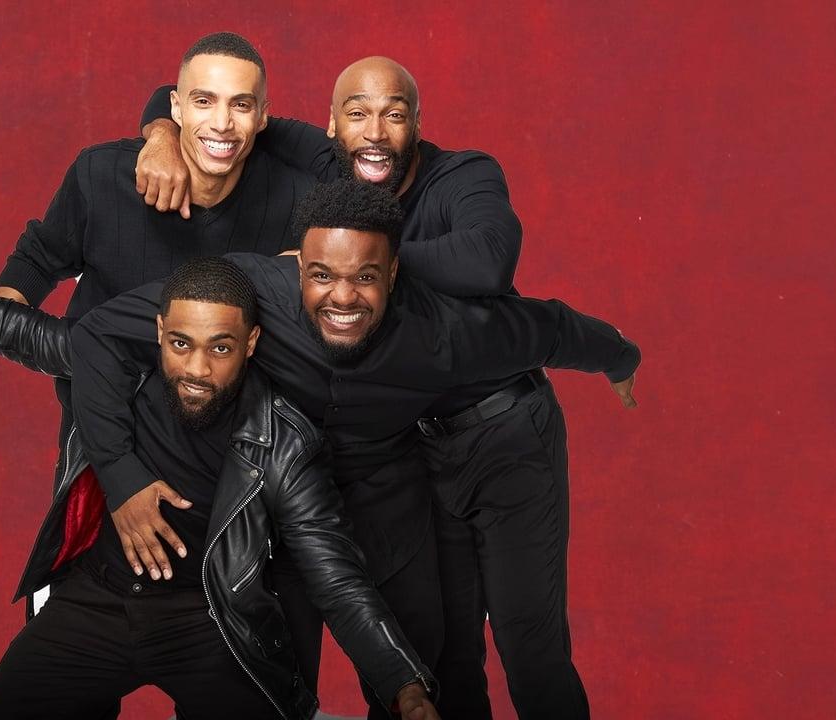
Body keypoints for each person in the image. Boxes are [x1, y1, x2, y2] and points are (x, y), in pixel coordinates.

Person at [66, 180, 640, 719]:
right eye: (321, 275)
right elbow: (96, 333)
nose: (341, 297)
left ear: (393, 272)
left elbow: (551, 329)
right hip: (281, 514)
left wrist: (620, 359)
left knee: (419, 675)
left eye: (364, 277)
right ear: (297, 266)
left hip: (389, 507)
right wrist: (120, 473)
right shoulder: (251, 293)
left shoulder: (447, 332)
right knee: (271, 682)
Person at [137, 57, 605, 718]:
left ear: (418, 123)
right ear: (332, 125)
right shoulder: (330, 161)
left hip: (501, 430)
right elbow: (191, 100)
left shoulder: (462, 174)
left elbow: (489, 262)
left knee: (529, 645)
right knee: (448, 654)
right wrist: (160, 135)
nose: (375, 132)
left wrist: (358, 260)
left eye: (394, 114)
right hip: (420, 443)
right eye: (357, 115)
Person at [0, 231, 440, 719]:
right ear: (159, 333)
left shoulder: (282, 440)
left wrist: (404, 687)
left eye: (221, 348)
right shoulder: (119, 371)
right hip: (97, 600)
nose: (197, 369)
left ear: (251, 343)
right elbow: (25, 333)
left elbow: (334, 572)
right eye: (181, 344)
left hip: (210, 619)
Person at [0, 32, 317, 614]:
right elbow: (39, 257)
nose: (222, 123)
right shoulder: (102, 175)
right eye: (203, 101)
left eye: (240, 105)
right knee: (73, 614)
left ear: (263, 117)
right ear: (175, 106)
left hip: (220, 440)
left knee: (219, 621)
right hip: (102, 428)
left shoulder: (296, 197)